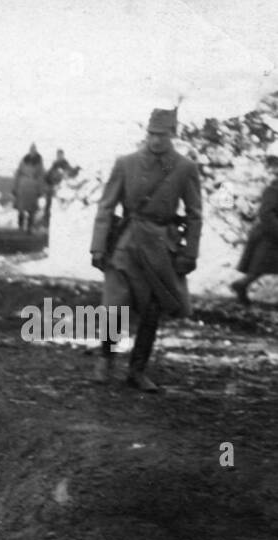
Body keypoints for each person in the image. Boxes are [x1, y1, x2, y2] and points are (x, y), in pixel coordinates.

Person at [89, 108, 202, 391]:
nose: (155, 140)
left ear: (173, 135)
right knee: (114, 305)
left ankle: (137, 370)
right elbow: (106, 206)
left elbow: (194, 214)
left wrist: (190, 253)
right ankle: (105, 358)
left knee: (152, 310)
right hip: (126, 242)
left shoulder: (185, 167)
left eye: (161, 135)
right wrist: (98, 246)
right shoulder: (126, 163)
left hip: (160, 248)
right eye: (151, 134)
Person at [230, 152, 278, 305]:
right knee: (259, 267)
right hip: (269, 234)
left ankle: (241, 285)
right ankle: (241, 285)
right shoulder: (274, 189)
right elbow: (266, 214)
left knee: (260, 268)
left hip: (271, 235)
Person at [13, 143, 45, 233]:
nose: (32, 150)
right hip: (22, 185)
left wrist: (40, 190)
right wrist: (15, 187)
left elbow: (41, 175)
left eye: (34, 149)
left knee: (32, 209)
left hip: (33, 187)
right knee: (21, 208)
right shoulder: (24, 159)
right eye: (31, 149)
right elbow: (18, 173)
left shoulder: (39, 161)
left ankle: (29, 228)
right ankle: (20, 227)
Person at [44, 148, 74, 227]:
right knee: (49, 204)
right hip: (52, 188)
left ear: (63, 155)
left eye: (60, 155)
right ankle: (46, 222)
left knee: (61, 206)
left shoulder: (66, 165)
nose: (59, 157)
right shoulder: (54, 165)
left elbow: (70, 174)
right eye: (58, 155)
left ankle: (62, 223)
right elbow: (47, 176)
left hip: (62, 189)